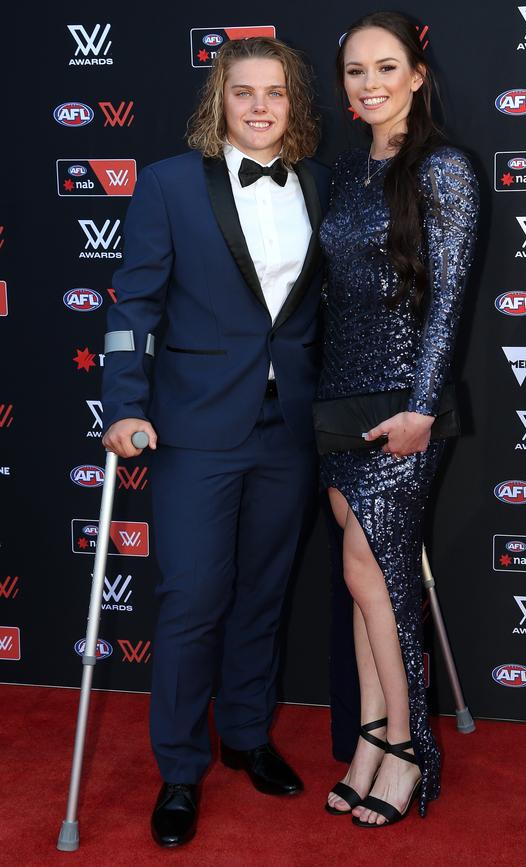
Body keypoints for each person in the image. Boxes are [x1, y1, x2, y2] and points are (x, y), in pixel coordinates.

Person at [101, 37, 329, 848]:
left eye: (275, 92)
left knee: (263, 593)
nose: (261, 106)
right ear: (219, 100)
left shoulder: (318, 182)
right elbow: (134, 310)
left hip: (289, 426)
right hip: (195, 426)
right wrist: (123, 405)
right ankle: (179, 768)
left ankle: (247, 733)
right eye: (244, 93)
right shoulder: (166, 184)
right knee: (195, 598)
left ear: (294, 103)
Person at [317, 12, 479, 826]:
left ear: (417, 74)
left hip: (406, 401)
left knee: (372, 569)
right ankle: (370, 741)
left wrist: (420, 406)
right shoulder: (344, 176)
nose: (370, 84)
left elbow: (450, 298)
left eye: (386, 67)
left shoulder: (444, 168)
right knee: (360, 577)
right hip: (338, 395)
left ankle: (412, 746)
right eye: (355, 71)